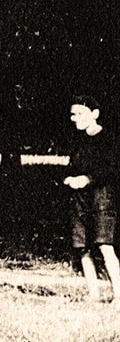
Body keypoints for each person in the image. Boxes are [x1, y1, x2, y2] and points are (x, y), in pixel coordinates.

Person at [66, 94, 120, 304]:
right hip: (79, 200)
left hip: (102, 200)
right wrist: (70, 178)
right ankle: (93, 295)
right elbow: (71, 167)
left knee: (105, 246)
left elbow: (112, 169)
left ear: (95, 114)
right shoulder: (77, 141)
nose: (75, 118)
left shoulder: (109, 140)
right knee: (82, 247)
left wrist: (87, 179)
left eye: (80, 113)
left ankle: (118, 296)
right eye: (73, 114)